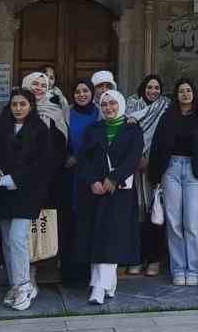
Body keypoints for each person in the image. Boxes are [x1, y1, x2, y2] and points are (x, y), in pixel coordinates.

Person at [149, 77, 198, 286]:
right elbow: (157, 147)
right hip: (171, 169)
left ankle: (193, 269)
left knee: (192, 223)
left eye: (189, 90)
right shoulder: (167, 118)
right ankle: (178, 269)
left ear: (194, 93)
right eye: (181, 91)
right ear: (176, 95)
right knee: (174, 222)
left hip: (193, 173)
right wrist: (155, 176)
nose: (185, 94)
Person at [77, 89, 145, 305]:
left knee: (112, 238)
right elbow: (83, 157)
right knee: (98, 237)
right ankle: (105, 283)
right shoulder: (93, 129)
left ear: (121, 105)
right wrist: (92, 180)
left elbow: (134, 157)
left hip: (119, 191)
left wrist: (114, 178)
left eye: (113, 104)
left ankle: (99, 286)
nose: (108, 108)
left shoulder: (132, 129)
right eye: (104, 104)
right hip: (96, 191)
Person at [0, 87, 54, 311]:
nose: (18, 108)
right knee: (7, 241)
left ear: (31, 106)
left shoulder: (40, 129)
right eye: (14, 104)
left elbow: (43, 163)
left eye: (23, 104)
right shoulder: (2, 126)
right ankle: (14, 284)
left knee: (18, 237)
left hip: (28, 192)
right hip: (4, 192)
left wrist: (17, 178)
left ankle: (24, 285)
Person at [21, 70, 68, 275]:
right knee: (22, 227)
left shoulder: (55, 110)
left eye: (43, 85)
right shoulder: (17, 108)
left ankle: (44, 268)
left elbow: (61, 145)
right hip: (20, 179)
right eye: (35, 84)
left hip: (47, 178)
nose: (39, 88)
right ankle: (25, 274)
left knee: (44, 222)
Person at [126, 73, 169, 275]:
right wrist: (136, 159)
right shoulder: (131, 107)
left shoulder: (165, 106)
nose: (153, 91)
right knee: (137, 216)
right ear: (143, 88)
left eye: (157, 88)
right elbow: (125, 137)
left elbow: (168, 138)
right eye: (150, 87)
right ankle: (137, 258)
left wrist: (152, 160)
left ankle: (154, 260)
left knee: (156, 214)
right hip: (134, 169)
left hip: (157, 167)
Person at [63, 78, 100, 286]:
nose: (81, 94)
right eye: (77, 91)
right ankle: (70, 274)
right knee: (71, 224)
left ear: (92, 93)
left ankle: (88, 274)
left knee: (88, 224)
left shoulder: (100, 112)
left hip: (93, 176)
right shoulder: (66, 113)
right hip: (70, 176)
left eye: (85, 90)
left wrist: (80, 157)